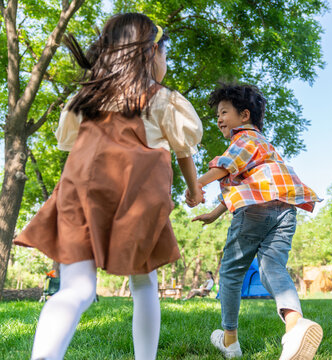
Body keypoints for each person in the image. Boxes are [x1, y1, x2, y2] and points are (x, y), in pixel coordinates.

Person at [14, 13, 204, 360]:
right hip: (137, 199)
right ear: (150, 54)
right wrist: (194, 191)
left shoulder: (84, 99)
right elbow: (183, 153)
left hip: (81, 194)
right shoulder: (162, 99)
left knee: (77, 289)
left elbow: (73, 145)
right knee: (144, 282)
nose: (166, 62)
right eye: (165, 53)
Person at [190, 83, 323, 360]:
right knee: (271, 267)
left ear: (245, 115)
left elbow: (225, 165)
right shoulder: (266, 146)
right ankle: (295, 328)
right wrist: (215, 214)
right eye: (217, 115)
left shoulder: (244, 140)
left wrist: (197, 185)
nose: (219, 119)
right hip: (286, 209)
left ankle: (230, 341)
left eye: (224, 112)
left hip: (256, 211)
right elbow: (251, 183)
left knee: (230, 273)